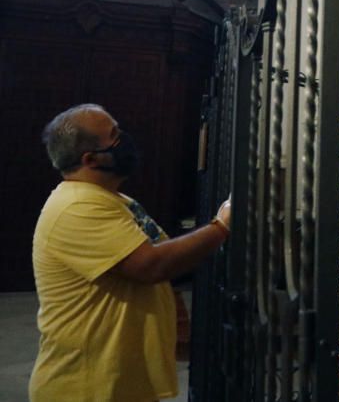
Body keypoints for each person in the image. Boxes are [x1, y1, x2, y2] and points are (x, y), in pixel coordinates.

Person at [29, 103, 232, 402]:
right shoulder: (76, 207)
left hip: (119, 383)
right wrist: (222, 226)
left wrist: (179, 332)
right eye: (114, 135)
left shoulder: (112, 200)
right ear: (90, 159)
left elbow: (163, 259)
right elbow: (151, 265)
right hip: (84, 387)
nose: (124, 139)